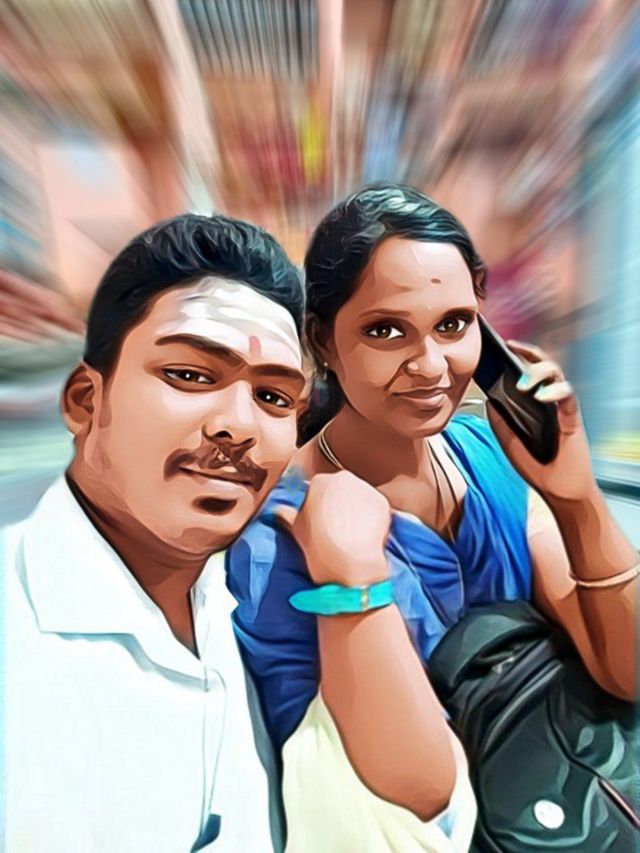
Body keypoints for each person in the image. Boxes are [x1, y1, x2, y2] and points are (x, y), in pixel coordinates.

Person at [1, 211, 475, 852]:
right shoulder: (19, 635)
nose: (238, 426)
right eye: (191, 376)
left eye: (274, 398)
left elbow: (425, 812)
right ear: (87, 401)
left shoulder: (261, 580)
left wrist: (352, 576)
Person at [227, 183, 638, 840]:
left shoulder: (486, 452)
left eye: (453, 325)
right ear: (323, 341)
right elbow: (422, 791)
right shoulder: (276, 538)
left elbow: (626, 669)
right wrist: (351, 575)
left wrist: (577, 498)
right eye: (385, 331)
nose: (430, 365)